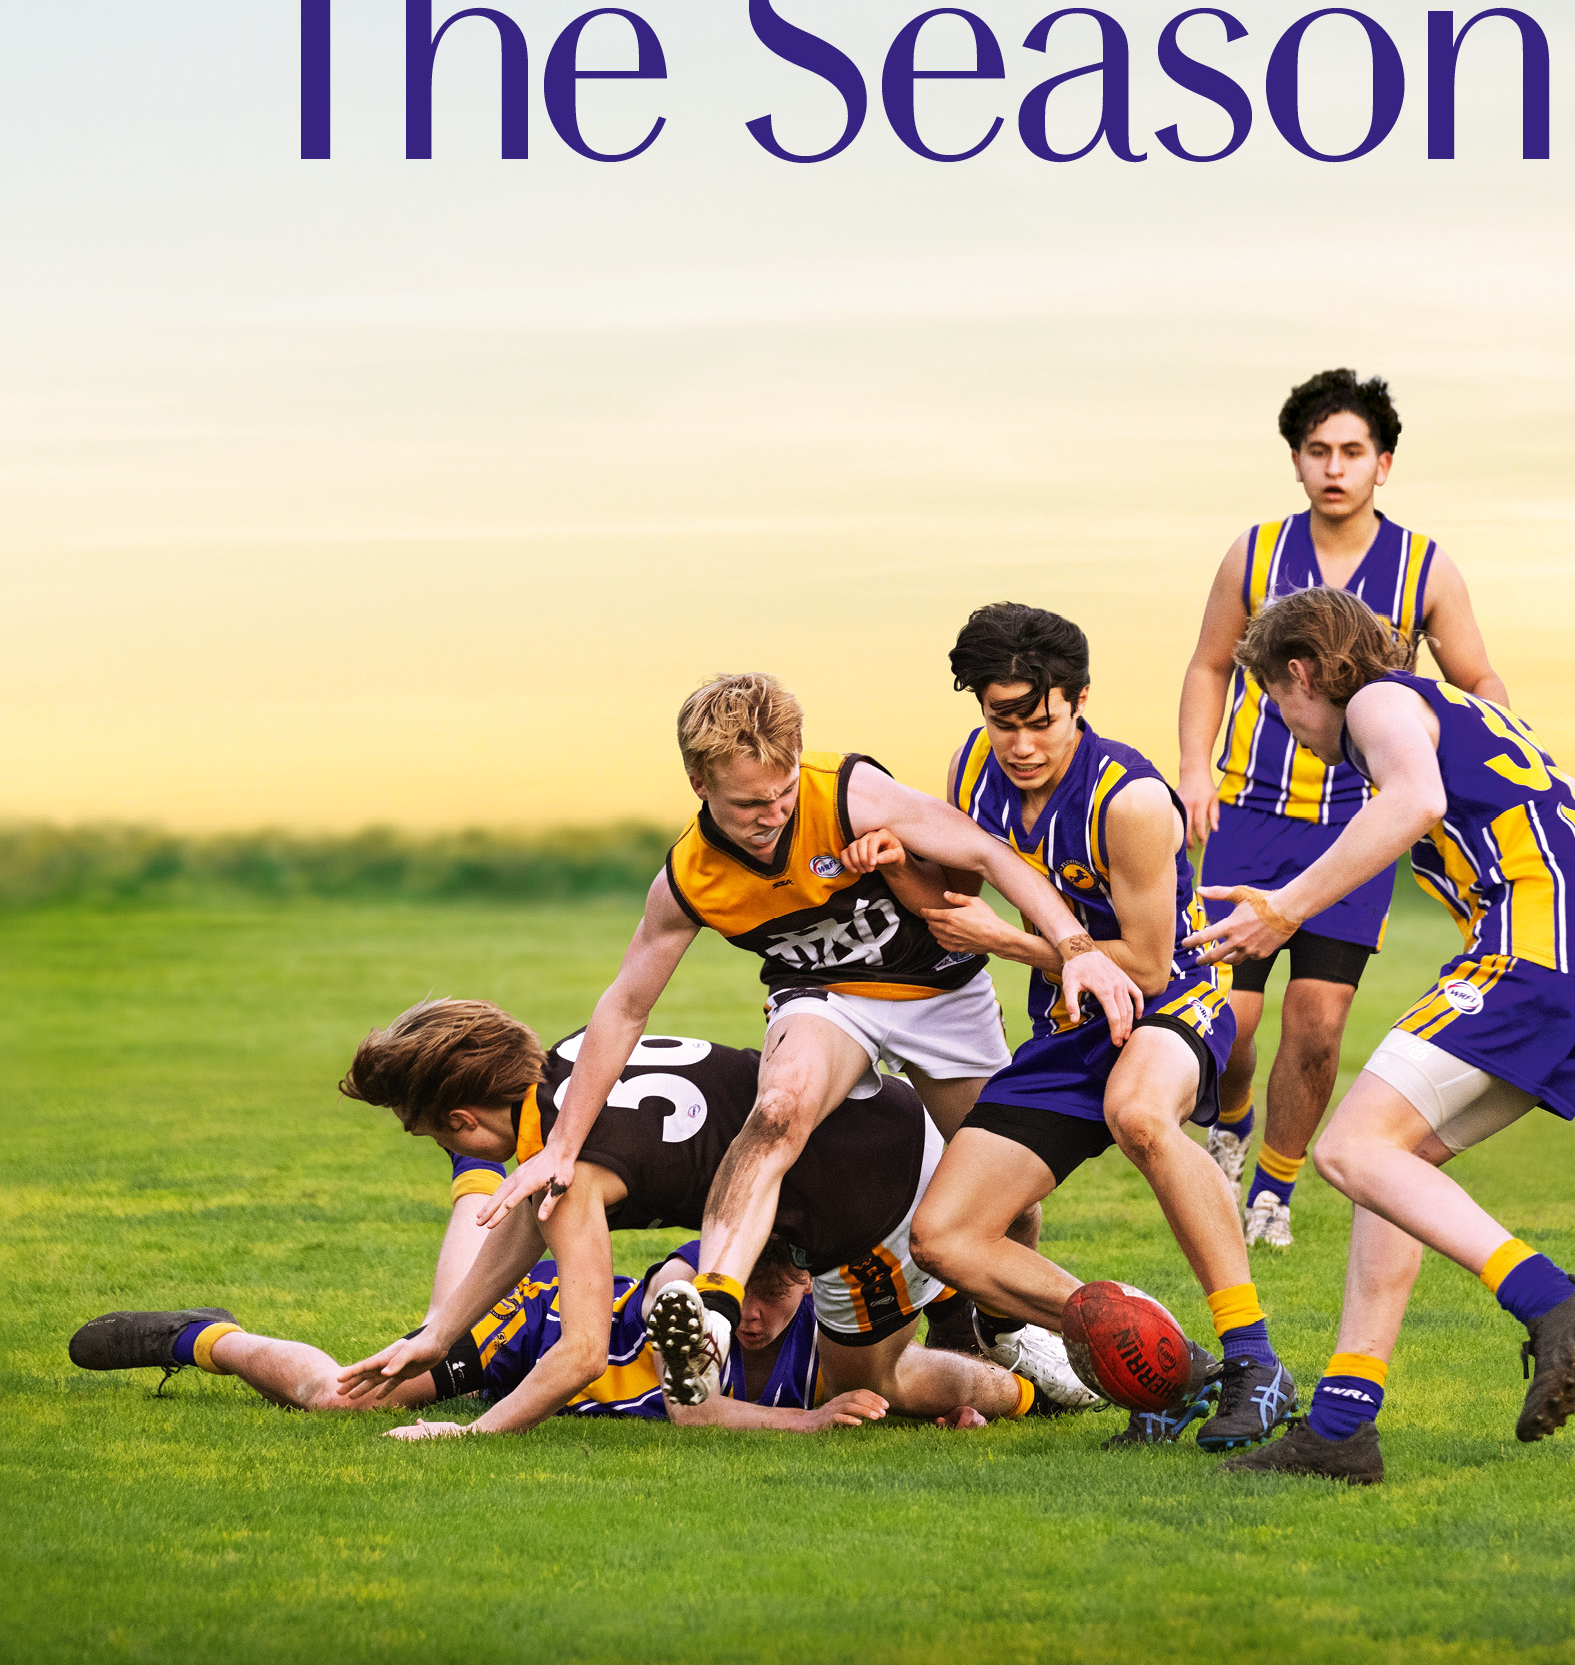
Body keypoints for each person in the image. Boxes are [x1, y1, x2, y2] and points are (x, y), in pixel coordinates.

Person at [475, 672, 1133, 1403]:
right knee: (779, 1108)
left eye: (782, 791)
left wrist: (1076, 949)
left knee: (1006, 1195)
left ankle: (997, 1328)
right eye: (749, 803)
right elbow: (625, 1006)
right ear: (698, 782)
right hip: (828, 998)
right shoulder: (692, 877)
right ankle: (714, 1317)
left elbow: (989, 857)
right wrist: (561, 1147)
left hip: (940, 991)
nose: (772, 813)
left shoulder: (848, 791)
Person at [1194, 585, 1575, 1482]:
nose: (1287, 723)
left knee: (1345, 1151)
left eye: (1275, 699)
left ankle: (1551, 1299)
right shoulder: (1478, 722)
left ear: (1302, 672)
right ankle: (1342, 1428)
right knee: (1394, 1166)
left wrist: (1287, 909)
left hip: (1531, 950)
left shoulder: (1382, 700)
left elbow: (1414, 802)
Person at [904, 602, 1298, 1454]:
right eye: (999, 719)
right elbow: (942, 878)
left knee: (1140, 1115)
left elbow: (1151, 967)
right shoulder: (972, 768)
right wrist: (883, 859)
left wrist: (1007, 940)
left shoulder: (1133, 800)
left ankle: (1255, 1359)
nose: (1019, 744)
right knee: (945, 1239)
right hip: (1066, 1022)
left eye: (1038, 721)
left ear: (1077, 699)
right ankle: (1165, 1367)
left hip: (1170, 1003)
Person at [333, 1004, 1068, 1433]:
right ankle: (979, 1319)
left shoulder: (570, 1178)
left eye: (435, 1137)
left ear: (461, 1120)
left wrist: (471, 1433)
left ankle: (1041, 1386)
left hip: (875, 1207)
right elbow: (528, 1230)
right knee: (971, 1262)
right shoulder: (568, 1067)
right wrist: (438, 1335)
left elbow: (581, 1354)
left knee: (884, 1384)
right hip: (890, 1118)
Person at [1177, 367, 1506, 1249]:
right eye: (1317, 450)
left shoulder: (1425, 566)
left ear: (1382, 464)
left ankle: (1273, 1196)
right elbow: (1209, 663)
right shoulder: (1251, 555)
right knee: (1228, 1024)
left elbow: (1475, 681)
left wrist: (1504, 765)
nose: (1334, 467)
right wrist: (1192, 768)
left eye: (1351, 451)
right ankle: (1229, 1127)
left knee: (1316, 1023)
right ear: (1295, 460)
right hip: (1250, 814)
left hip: (1360, 822)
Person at [65, 1240, 885, 1436]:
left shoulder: (836, 1328)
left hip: (553, 1382)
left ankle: (479, 1172)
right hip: (538, 1332)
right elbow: (675, 1278)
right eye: (748, 1294)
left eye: (775, 1296)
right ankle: (202, 1338)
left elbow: (914, 1374)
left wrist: (994, 1398)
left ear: (808, 1286)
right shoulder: (715, 1267)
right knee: (333, 1399)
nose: (752, 1313)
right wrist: (808, 1425)